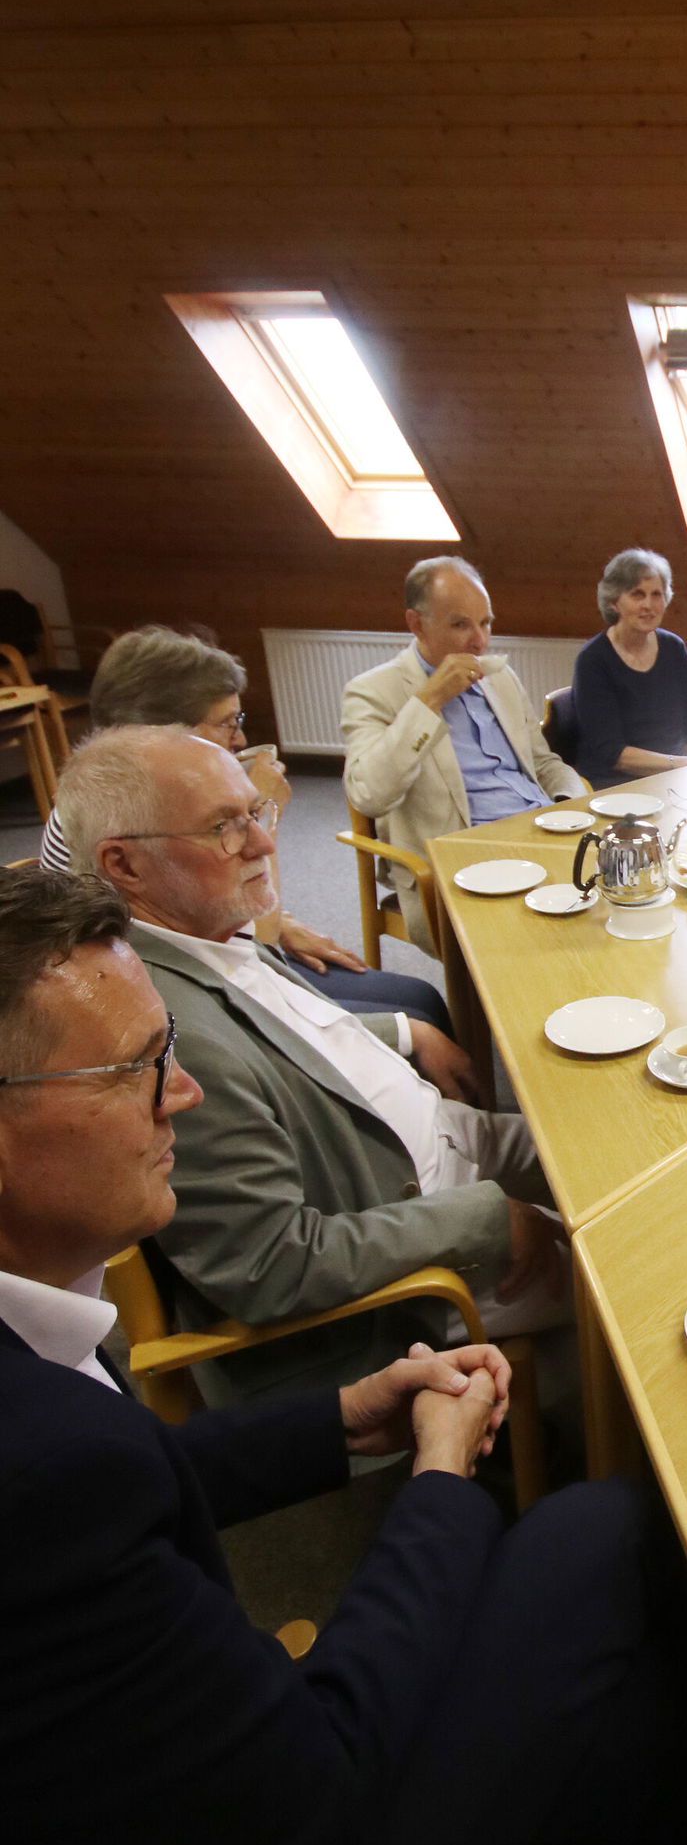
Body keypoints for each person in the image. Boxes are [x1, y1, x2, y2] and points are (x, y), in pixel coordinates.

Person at [0, 860, 687, 1845]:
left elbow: (140, 1479)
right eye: (135, 1071)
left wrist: (341, 1417)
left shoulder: (39, 1325)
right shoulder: (38, 1477)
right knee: (607, 1532)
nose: (188, 1094)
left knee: (601, 1671)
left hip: (141, 1830)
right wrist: (434, 1488)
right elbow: (308, 1797)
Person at [58, 727, 567, 1404]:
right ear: (123, 866)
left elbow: (295, 1034)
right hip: (406, 1262)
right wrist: (489, 1219)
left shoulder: (198, 930)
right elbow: (272, 1263)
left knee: (604, 1151)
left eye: (254, 814)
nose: (265, 843)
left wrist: (407, 1031)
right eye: (222, 828)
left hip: (427, 1143)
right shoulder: (166, 1031)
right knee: (639, 1263)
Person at [37, 624, 451, 1031]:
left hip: (224, 954)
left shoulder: (124, 796)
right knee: (414, 1013)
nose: (240, 739)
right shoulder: (134, 823)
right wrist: (261, 814)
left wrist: (282, 922)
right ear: (164, 735)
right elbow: (258, 943)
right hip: (195, 999)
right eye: (227, 722)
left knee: (420, 998)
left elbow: (225, 914)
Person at [341, 558, 587, 952]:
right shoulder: (373, 691)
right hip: (465, 860)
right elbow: (369, 794)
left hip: (541, 834)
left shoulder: (500, 678)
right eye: (461, 625)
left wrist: (573, 806)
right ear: (416, 624)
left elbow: (544, 764)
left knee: (629, 888)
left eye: (486, 623)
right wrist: (429, 700)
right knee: (549, 943)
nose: (480, 641)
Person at [571, 547, 687, 788]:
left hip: (672, 774)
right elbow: (612, 754)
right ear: (614, 602)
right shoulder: (593, 659)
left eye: (656, 594)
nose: (649, 605)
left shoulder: (673, 647)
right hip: (615, 784)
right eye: (637, 595)